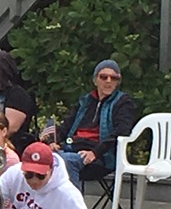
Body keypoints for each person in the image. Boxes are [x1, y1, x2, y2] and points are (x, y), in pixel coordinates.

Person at [50, 59, 137, 190]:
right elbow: (66, 126)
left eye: (113, 78)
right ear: (95, 80)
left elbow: (121, 133)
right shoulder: (85, 101)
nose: (108, 81)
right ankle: (48, 208)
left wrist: (95, 153)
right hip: (72, 148)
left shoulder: (123, 103)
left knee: (65, 161)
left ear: (118, 82)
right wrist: (53, 140)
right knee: (42, 156)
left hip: (102, 157)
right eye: (103, 77)